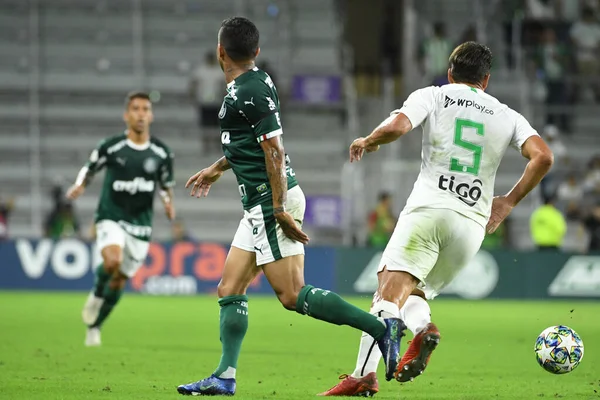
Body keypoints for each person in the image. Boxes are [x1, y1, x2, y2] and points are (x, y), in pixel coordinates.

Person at [176, 17, 403, 397]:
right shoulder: (256, 82)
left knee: (291, 295)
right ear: (257, 52)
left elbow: (274, 150)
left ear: (220, 52)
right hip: (260, 202)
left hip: (269, 201)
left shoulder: (247, 91)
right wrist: (217, 168)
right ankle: (224, 376)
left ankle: (380, 328)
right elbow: (252, 144)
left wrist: (278, 207)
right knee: (229, 286)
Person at [320, 42, 553, 396]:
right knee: (416, 292)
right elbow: (543, 157)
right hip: (471, 226)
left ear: (449, 72)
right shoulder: (508, 116)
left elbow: (398, 126)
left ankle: (363, 376)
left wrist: (369, 140)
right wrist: (507, 202)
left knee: (385, 296)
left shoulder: (435, 95)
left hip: (430, 211)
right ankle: (423, 328)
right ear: (486, 80)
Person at [66, 91, 176, 347]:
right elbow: (90, 167)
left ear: (151, 115)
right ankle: (95, 294)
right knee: (112, 261)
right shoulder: (111, 146)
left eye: (145, 109)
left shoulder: (161, 152)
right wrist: (80, 185)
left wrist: (168, 203)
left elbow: (164, 185)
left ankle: (95, 325)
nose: (140, 114)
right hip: (111, 215)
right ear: (126, 115)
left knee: (120, 279)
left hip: (140, 222)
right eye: (135, 109)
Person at [189, 51, 226, 154]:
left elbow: (223, 85)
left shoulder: (219, 71)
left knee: (217, 125)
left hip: (216, 101)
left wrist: (224, 97)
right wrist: (193, 96)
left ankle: (216, 146)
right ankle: (206, 146)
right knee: (205, 125)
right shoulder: (201, 70)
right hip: (204, 101)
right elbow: (194, 84)